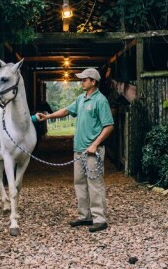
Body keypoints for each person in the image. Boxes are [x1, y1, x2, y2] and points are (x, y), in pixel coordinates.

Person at [36, 68, 114, 233]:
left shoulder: (100, 100)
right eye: (82, 79)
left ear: (93, 81)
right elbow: (66, 110)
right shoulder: (80, 99)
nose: (81, 82)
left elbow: (109, 126)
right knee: (79, 183)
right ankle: (85, 216)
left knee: (95, 184)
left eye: (84, 79)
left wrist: (95, 144)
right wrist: (48, 117)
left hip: (93, 151)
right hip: (78, 150)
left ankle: (100, 219)